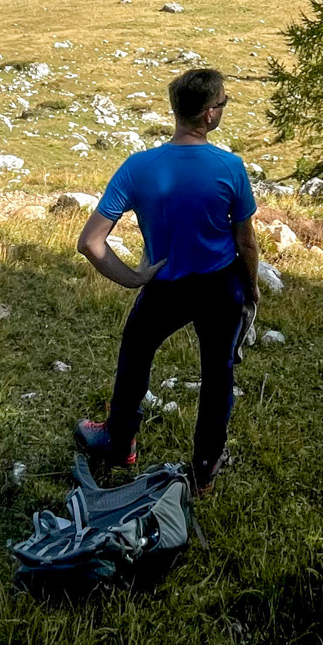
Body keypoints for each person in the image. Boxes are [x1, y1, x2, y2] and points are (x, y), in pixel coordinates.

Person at [74, 66, 259, 496]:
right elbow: (246, 244)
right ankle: (204, 471)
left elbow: (90, 242)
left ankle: (119, 442)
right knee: (218, 375)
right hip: (219, 285)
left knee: (136, 353)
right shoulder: (230, 167)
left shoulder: (138, 167)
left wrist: (134, 278)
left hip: (164, 285)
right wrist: (250, 289)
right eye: (223, 103)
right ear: (210, 115)